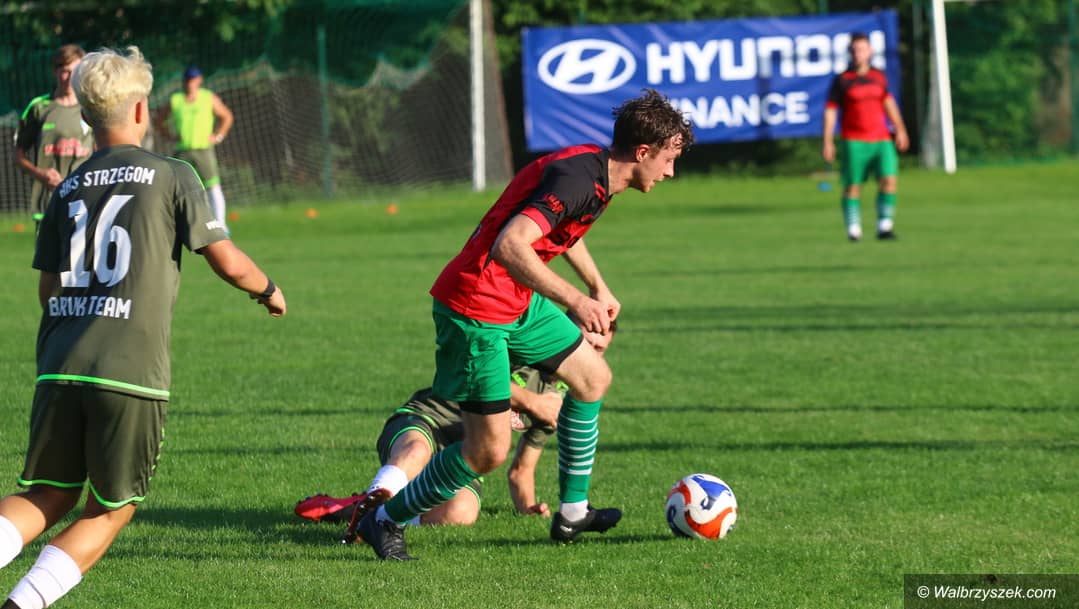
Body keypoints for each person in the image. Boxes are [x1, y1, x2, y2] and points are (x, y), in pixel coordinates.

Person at [0, 47, 286, 609]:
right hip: (128, 370)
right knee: (112, 507)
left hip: (58, 364)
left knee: (46, 494)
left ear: (87, 116)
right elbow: (227, 260)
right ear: (139, 111)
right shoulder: (172, 174)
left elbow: (48, 290)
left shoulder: (67, 187)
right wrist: (269, 290)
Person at [357, 88, 693, 561]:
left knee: (592, 377)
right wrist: (575, 299)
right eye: (668, 159)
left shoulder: (597, 172)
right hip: (476, 306)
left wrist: (597, 285)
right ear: (642, 152)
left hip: (514, 299)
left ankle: (572, 512)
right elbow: (510, 244)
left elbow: (561, 231)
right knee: (487, 452)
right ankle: (383, 519)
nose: (670, 172)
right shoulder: (579, 179)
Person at [293, 322, 616, 542]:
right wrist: (532, 402)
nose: (591, 350)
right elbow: (475, 374)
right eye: (587, 339)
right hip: (428, 419)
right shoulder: (527, 348)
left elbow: (522, 470)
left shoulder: (560, 405)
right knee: (416, 452)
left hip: (466, 454)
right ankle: (373, 511)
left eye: (599, 348)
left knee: (460, 514)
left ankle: (360, 510)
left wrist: (528, 508)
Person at [821, 32, 910, 242]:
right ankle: (853, 230)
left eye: (862, 49)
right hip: (854, 140)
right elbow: (831, 111)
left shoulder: (879, 76)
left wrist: (900, 129)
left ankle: (884, 226)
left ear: (870, 51)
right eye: (854, 50)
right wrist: (827, 141)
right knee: (853, 185)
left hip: (881, 138)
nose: (858, 54)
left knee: (889, 180)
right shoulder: (843, 80)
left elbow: (888, 102)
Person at [14, 44, 95, 231]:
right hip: (48, 204)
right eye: (65, 71)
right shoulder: (39, 107)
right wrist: (41, 174)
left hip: (83, 202)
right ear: (55, 71)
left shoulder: (91, 107)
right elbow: (17, 156)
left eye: (75, 72)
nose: (69, 78)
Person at [154, 64, 234, 230]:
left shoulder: (208, 97)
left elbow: (226, 116)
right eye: (188, 79)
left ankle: (220, 225)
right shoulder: (176, 100)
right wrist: (169, 135)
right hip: (182, 151)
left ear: (199, 80)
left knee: (212, 185)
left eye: (193, 79)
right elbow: (159, 120)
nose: (190, 83)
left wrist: (218, 135)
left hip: (203, 149)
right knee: (177, 188)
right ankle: (179, 223)